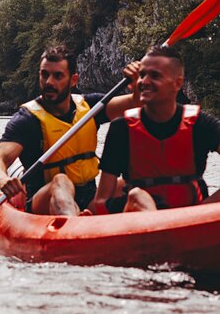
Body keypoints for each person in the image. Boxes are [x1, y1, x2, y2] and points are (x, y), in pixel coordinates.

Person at [0, 45, 141, 216]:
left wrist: (137, 83)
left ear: (73, 80)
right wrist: (3, 179)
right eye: (44, 75)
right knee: (61, 181)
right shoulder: (26, 120)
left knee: (122, 185)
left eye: (58, 76)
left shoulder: (91, 107)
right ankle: (75, 224)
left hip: (88, 197)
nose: (49, 82)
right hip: (43, 202)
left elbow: (136, 103)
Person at [88, 46, 220, 214]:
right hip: (139, 221)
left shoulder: (202, 124)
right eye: (142, 75)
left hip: (190, 220)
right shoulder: (121, 129)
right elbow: (101, 201)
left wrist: (203, 209)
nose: (144, 82)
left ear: (178, 83)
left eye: (155, 76)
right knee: (136, 195)